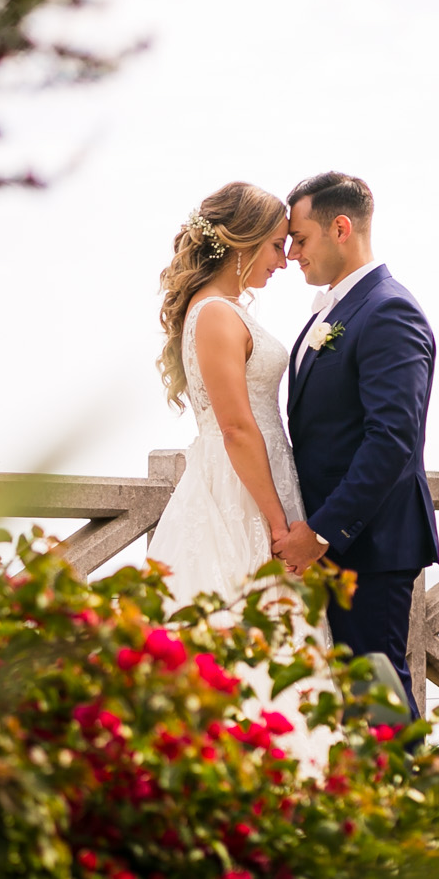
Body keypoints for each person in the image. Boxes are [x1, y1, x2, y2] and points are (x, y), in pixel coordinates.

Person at [273, 171, 439, 717]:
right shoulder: (334, 308)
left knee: (380, 704)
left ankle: (415, 802)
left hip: (368, 544)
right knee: (352, 704)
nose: (292, 252)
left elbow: (392, 440)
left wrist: (321, 531)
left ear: (340, 227)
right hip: (335, 547)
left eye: (301, 238)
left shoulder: (388, 310)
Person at [144, 182, 307, 607]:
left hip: (255, 477)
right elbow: (235, 427)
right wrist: (278, 526)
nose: (283, 261)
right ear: (243, 243)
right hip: (243, 490)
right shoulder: (216, 312)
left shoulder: (223, 308)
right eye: (276, 246)